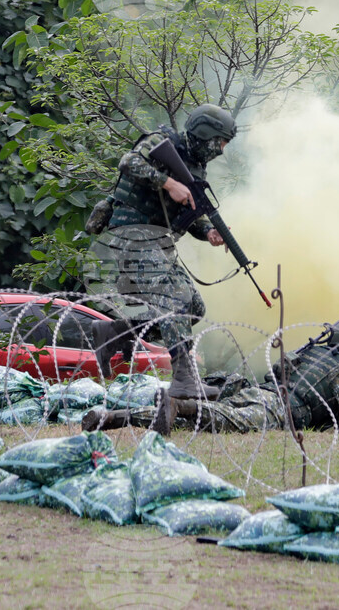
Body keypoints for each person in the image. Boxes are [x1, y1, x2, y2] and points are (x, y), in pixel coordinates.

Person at [89, 104, 238, 435]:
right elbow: (128, 162)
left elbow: (187, 216)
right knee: (171, 301)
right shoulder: (163, 141)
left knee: (194, 307)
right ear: (205, 133)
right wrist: (168, 182)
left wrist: (208, 232)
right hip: (131, 234)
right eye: (220, 141)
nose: (222, 149)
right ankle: (183, 378)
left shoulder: (196, 169)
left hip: (158, 244)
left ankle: (115, 333)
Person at [82, 318, 339, 433]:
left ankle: (113, 417)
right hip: (279, 409)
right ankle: (183, 407)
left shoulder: (310, 352)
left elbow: (279, 371)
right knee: (223, 419)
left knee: (212, 414)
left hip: (264, 393)